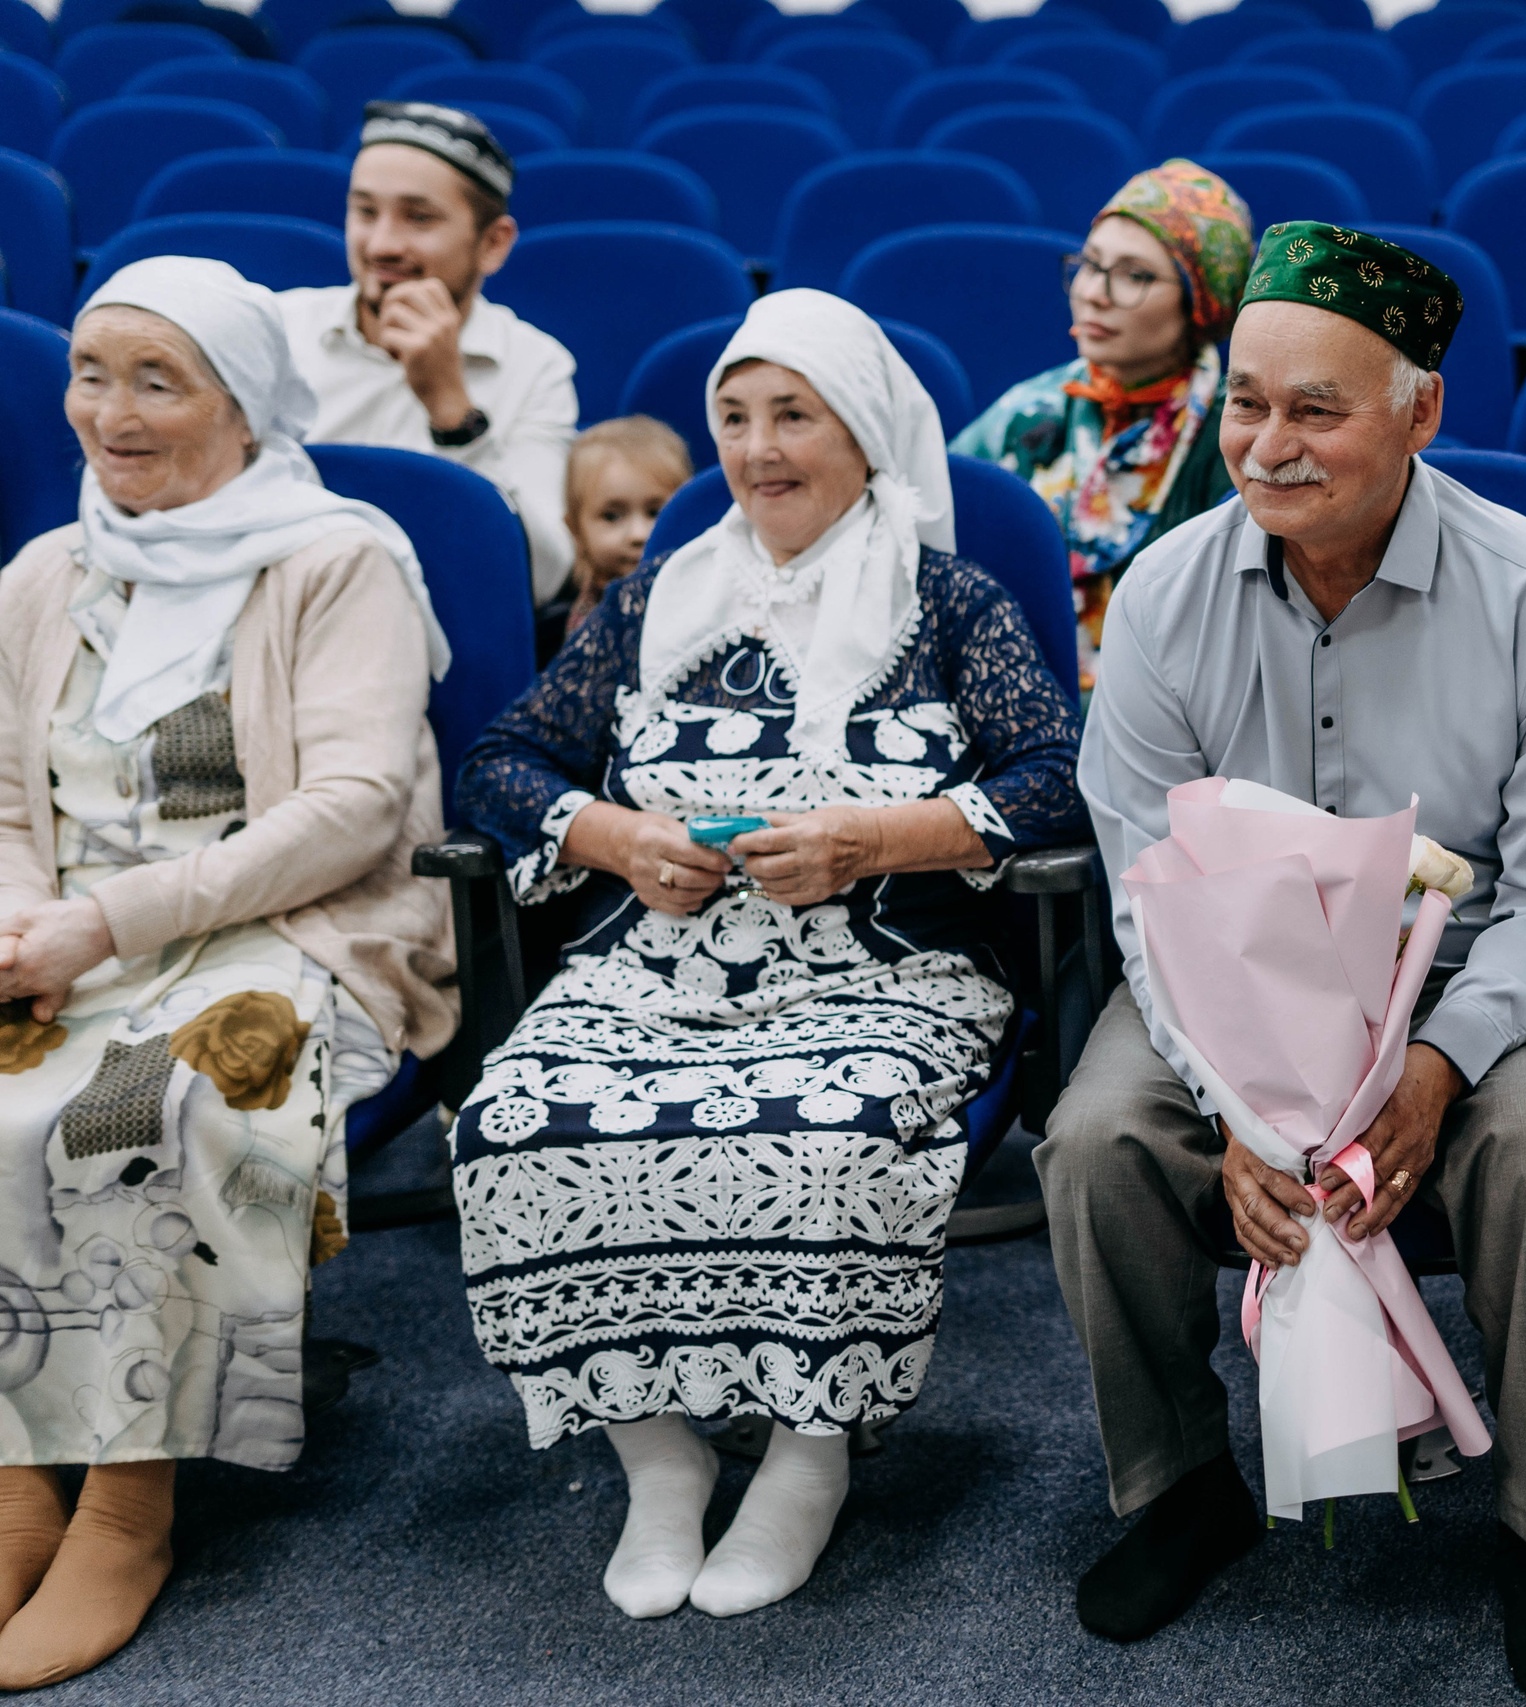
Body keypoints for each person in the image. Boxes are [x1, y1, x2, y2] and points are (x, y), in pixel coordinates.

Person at [1040, 222, 1526, 1702]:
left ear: (1422, 411)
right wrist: (1246, 1103)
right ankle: (1179, 1487)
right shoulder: (1167, 597)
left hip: (1480, 984)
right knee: (1097, 1134)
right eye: (1248, 401)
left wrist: (1431, 1069)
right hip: (1226, 988)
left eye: (1320, 409)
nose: (1270, 443)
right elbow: (1146, 896)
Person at [449, 290, 1083, 1625]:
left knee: (834, 1125)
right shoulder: (657, 599)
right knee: (521, 1118)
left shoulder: (949, 601)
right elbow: (496, 762)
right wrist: (614, 834)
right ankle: (660, 1454)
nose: (756, 445)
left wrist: (874, 838)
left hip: (886, 967)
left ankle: (809, 1452)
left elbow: (1058, 781)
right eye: (733, 416)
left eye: (793, 413)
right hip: (654, 966)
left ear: (864, 430)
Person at [0, 257, 455, 1687]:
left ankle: (130, 1502)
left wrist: (106, 924)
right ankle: (18, 1479)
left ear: (242, 402)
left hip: (295, 934)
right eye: (90, 371)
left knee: (140, 1110)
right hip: (75, 933)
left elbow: (354, 809)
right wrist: (22, 923)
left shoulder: (337, 558)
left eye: (157, 379)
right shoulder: (46, 570)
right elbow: (7, 802)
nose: (109, 412)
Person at [950, 159, 1252, 691]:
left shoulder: (1237, 433)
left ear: (1201, 303)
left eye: (1135, 275)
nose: (1094, 292)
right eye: (1090, 264)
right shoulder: (1030, 409)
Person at [279, 101, 580, 603]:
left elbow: (541, 580)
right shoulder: (281, 327)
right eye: (365, 211)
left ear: (492, 245)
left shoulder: (535, 366)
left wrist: (452, 410)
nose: (381, 245)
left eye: (418, 218)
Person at [562, 416, 691, 631]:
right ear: (576, 530)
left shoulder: (704, 599)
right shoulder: (587, 625)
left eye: (655, 512)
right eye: (612, 516)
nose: (638, 534)